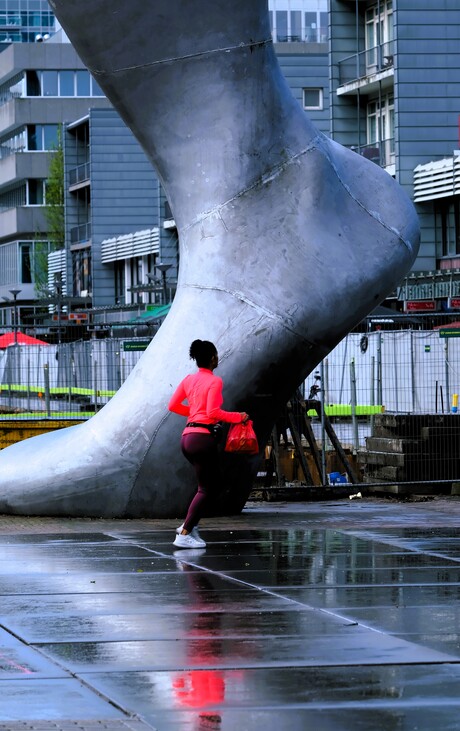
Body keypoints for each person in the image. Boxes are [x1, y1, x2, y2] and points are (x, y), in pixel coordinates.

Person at [168, 339, 249, 549]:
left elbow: (172, 405)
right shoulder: (215, 381)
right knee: (208, 488)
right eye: (216, 354)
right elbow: (214, 413)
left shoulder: (188, 380)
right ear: (213, 358)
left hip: (187, 437)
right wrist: (238, 417)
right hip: (202, 439)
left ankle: (190, 524)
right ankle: (184, 533)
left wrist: (195, 413)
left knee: (209, 485)